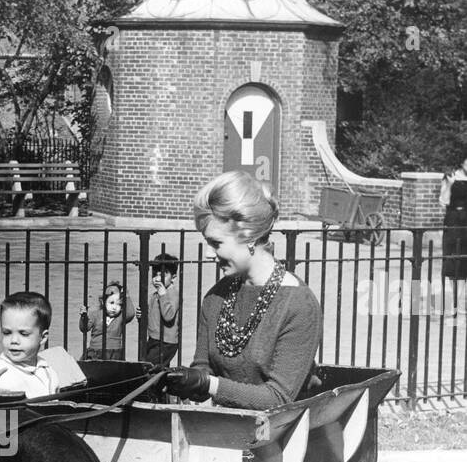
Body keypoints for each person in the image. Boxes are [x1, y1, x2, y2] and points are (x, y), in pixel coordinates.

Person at [165, 171, 322, 410]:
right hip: (226, 432)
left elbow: (278, 398)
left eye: (216, 243)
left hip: (284, 436)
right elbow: (203, 368)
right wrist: (183, 381)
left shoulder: (299, 305)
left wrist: (209, 385)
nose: (208, 254)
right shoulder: (215, 297)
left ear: (249, 237)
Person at [0, 290, 59, 398]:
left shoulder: (48, 372)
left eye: (23, 334)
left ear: (43, 337)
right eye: (7, 333)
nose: (14, 340)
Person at [79, 279, 140, 359]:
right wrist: (83, 317)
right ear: (103, 302)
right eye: (111, 303)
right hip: (95, 351)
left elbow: (131, 313)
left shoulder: (120, 317)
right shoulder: (96, 314)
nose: (114, 307)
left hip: (114, 352)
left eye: (119, 304)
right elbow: (84, 328)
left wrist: (126, 296)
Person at [439, 155, 467, 314]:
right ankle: (454, 303)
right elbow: (443, 201)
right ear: (462, 162)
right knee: (452, 261)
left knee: (464, 263)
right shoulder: (451, 177)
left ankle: (459, 302)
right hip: (453, 221)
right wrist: (449, 185)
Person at [144, 252, 181, 365]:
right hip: (154, 338)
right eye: (155, 274)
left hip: (166, 341)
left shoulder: (172, 293)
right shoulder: (155, 295)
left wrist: (162, 294)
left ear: (173, 278)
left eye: (163, 275)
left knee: (148, 369)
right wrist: (141, 314)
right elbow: (151, 315)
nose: (157, 278)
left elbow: (168, 316)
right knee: (158, 371)